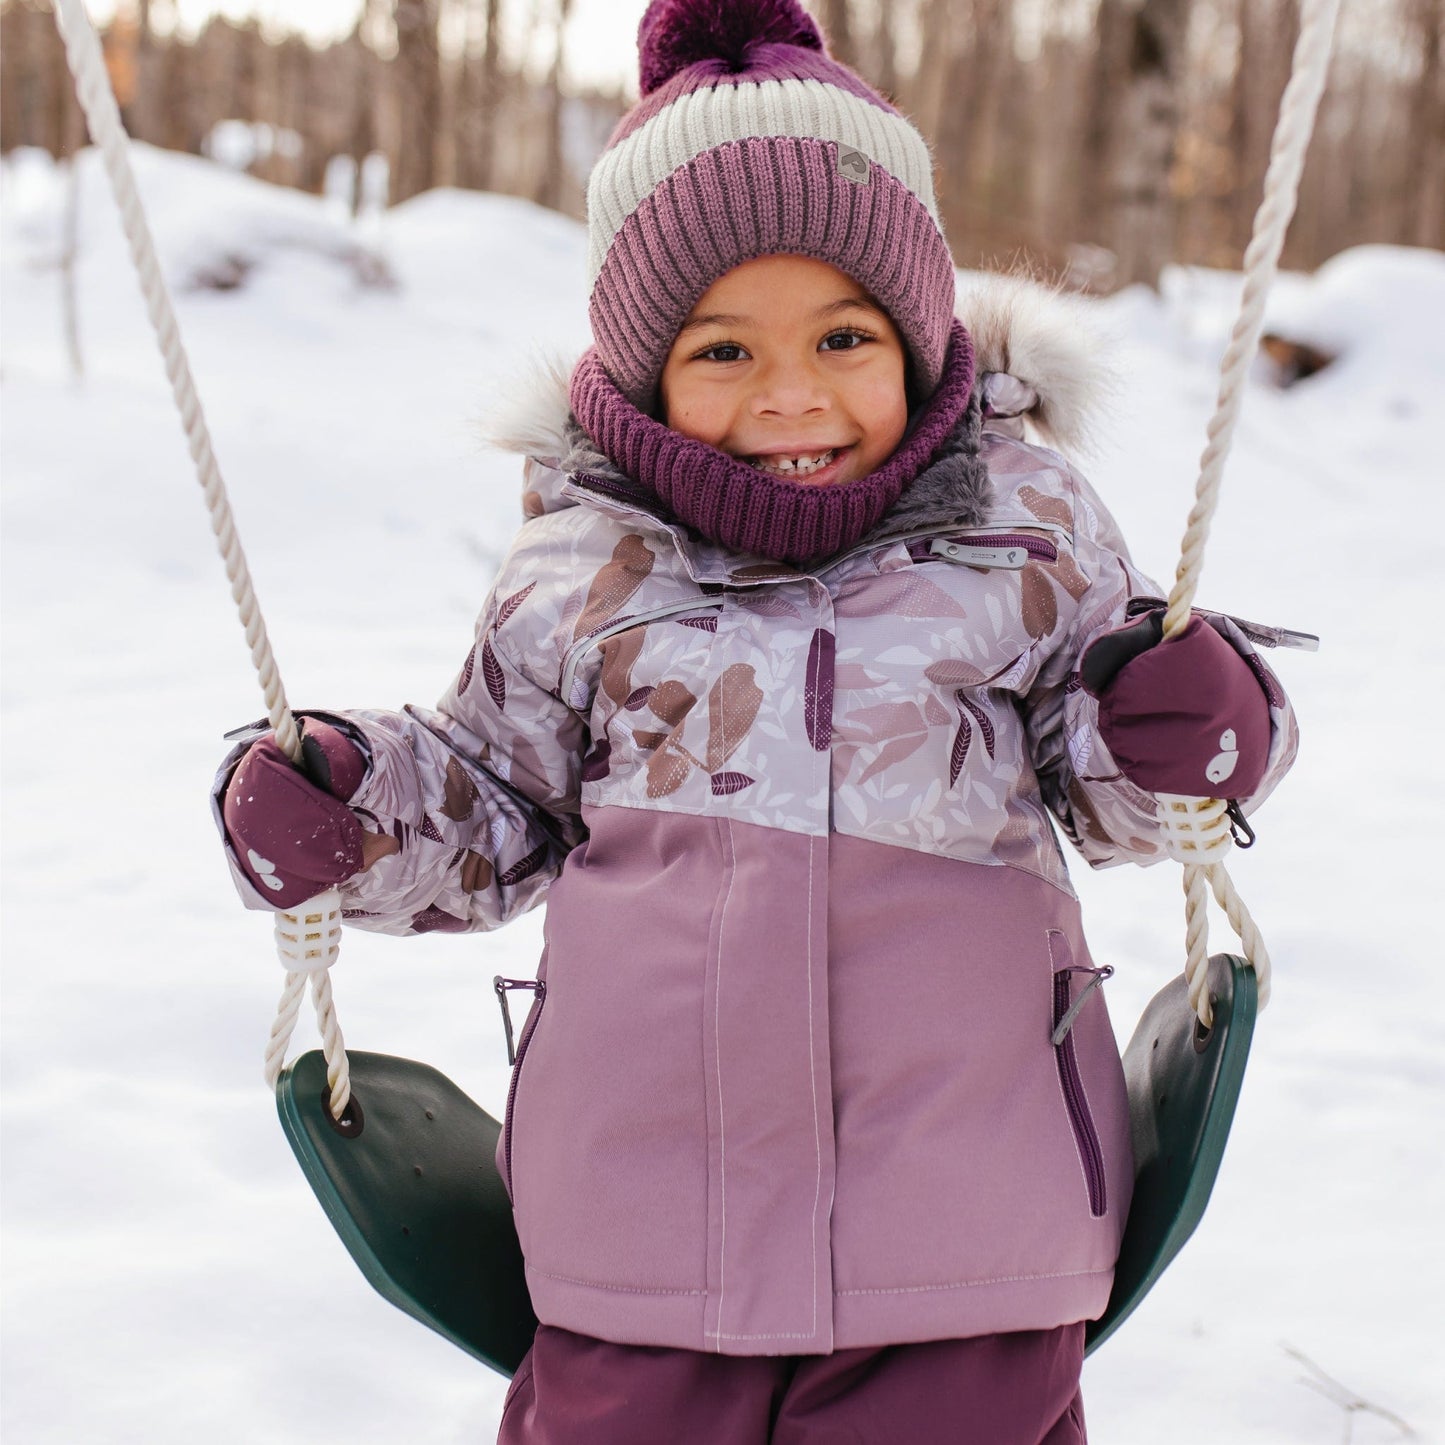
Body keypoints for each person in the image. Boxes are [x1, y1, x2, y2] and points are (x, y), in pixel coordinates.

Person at [213, 1, 1299, 1439]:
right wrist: (347, 804)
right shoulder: (581, 568)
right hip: (639, 1236)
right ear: (643, 369)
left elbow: (1115, 780)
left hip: (966, 1232)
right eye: (721, 350)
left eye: (843, 334)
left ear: (918, 341)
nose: (791, 395)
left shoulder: (1021, 534)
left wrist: (1187, 722)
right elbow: (492, 797)